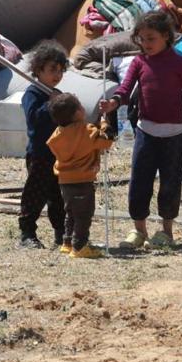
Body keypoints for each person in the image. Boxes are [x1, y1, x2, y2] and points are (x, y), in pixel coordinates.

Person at [99, 11, 182, 250]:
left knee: (170, 184)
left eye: (151, 39)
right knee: (139, 182)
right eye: (142, 39)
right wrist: (113, 103)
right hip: (145, 133)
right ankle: (139, 230)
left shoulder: (180, 63)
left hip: (174, 135)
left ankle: (166, 231)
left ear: (166, 36)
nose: (146, 44)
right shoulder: (139, 62)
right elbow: (125, 89)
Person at [46, 93, 114, 259]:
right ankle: (80, 246)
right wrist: (105, 124)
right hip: (83, 180)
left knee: (71, 212)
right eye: (81, 106)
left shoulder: (57, 133)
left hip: (64, 180)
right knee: (84, 215)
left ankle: (67, 242)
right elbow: (107, 141)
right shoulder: (87, 131)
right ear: (77, 113)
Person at [18, 40, 69, 249]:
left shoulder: (56, 93)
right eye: (52, 70)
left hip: (58, 153)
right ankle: (27, 233)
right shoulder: (33, 94)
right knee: (35, 194)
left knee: (59, 196)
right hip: (40, 154)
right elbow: (34, 119)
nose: (57, 75)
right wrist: (51, 104)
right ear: (39, 70)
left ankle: (61, 232)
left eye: (60, 70)